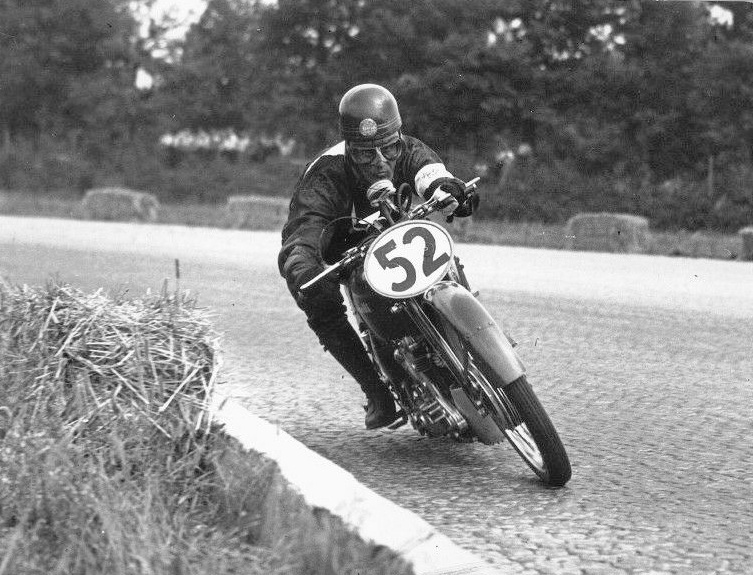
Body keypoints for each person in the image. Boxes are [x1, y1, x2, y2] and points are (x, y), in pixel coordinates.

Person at [278, 83, 475, 429]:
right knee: (317, 298)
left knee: (449, 262)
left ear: (397, 134)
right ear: (350, 148)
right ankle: (377, 393)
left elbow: (431, 173)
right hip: (352, 258)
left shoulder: (407, 148)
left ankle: (477, 344)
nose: (382, 161)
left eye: (388, 148)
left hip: (406, 242)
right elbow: (305, 227)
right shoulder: (327, 172)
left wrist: (449, 188)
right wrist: (301, 260)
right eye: (367, 154)